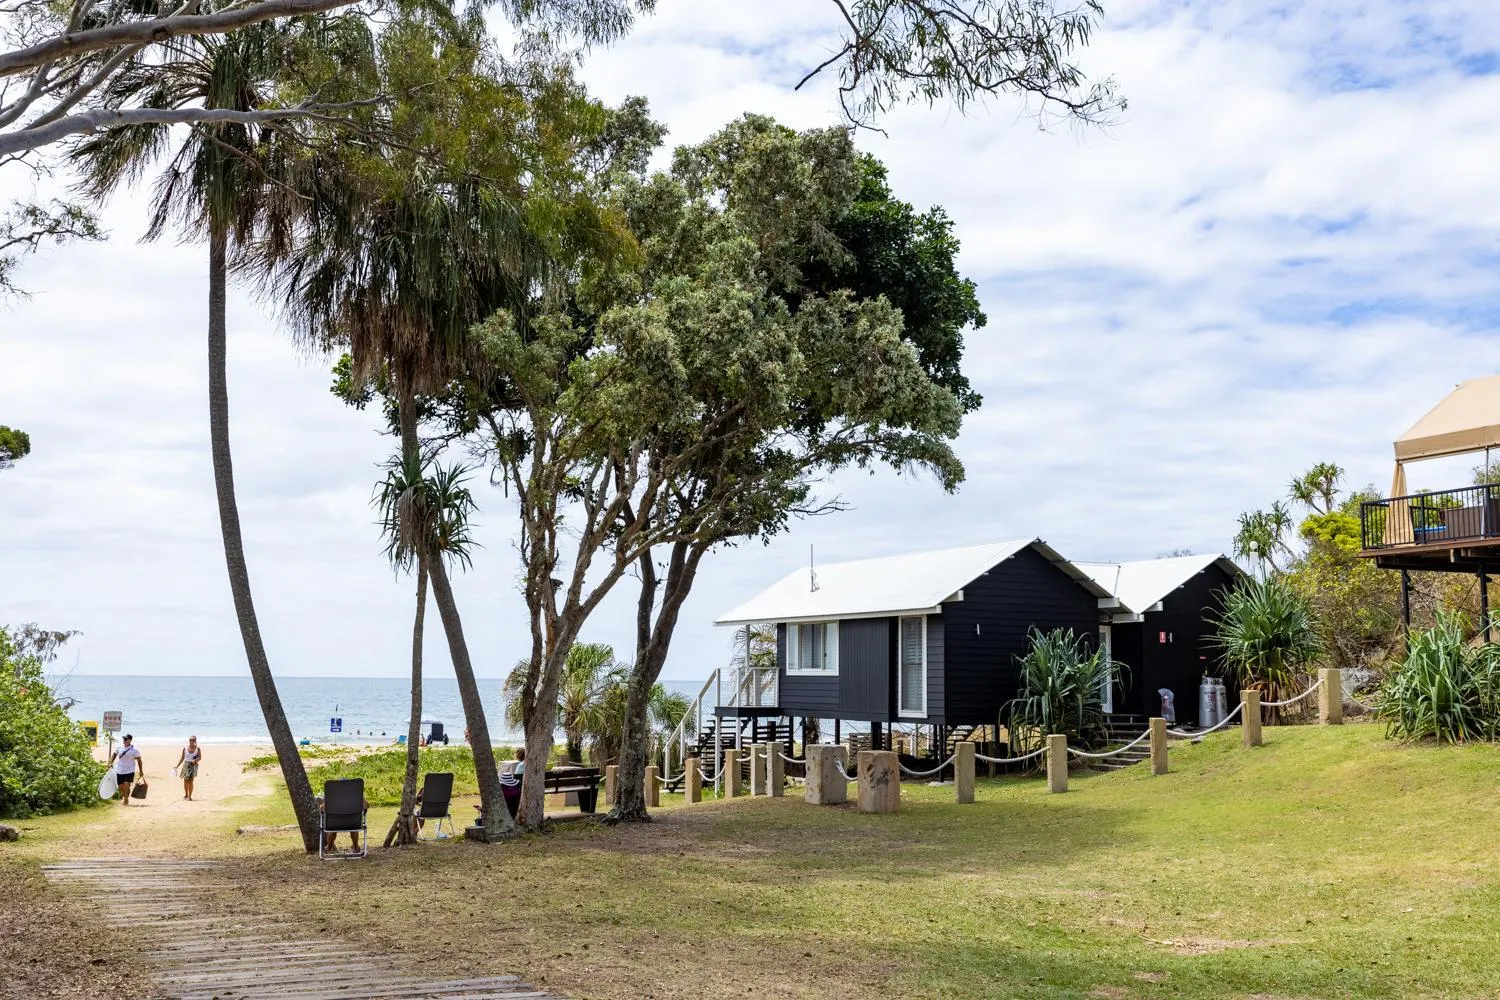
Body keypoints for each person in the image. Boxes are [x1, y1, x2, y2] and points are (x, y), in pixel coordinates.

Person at [108, 734, 144, 806]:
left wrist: (141, 770)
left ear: (130, 740)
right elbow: (114, 755)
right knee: (121, 787)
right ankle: (125, 796)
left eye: (126, 739)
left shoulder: (134, 750)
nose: (124, 740)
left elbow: (139, 760)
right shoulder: (119, 748)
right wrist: (111, 763)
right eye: (124, 739)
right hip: (120, 770)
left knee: (127, 785)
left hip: (130, 770)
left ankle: (126, 800)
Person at [174, 736, 203, 801]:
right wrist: (177, 766)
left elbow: (200, 757)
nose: (191, 741)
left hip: (193, 765)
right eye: (190, 740)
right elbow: (182, 758)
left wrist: (195, 761)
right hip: (186, 765)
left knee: (191, 781)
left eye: (193, 740)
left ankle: (190, 796)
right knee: (185, 781)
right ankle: (186, 794)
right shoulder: (185, 748)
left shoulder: (197, 749)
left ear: (195, 741)